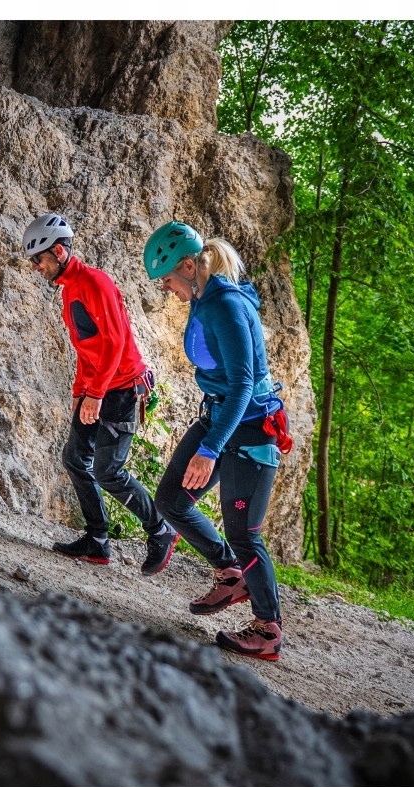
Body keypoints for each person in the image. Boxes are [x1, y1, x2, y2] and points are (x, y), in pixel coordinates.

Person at [143, 221, 292, 661]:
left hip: (250, 426)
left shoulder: (226, 305)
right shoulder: (203, 298)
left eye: (167, 278)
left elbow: (244, 383)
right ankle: (230, 573)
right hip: (219, 415)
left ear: (189, 267)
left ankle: (268, 630)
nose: (166, 288)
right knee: (172, 500)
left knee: (245, 533)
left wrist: (209, 450)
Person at [22, 212, 178, 573]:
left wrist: (95, 395)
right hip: (98, 388)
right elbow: (86, 349)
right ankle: (97, 540)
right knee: (75, 458)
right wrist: (81, 392)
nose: (35, 267)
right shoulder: (70, 291)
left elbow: (114, 343)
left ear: (59, 252)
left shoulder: (95, 283)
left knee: (108, 471)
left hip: (120, 390)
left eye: (38, 259)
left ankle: (161, 530)